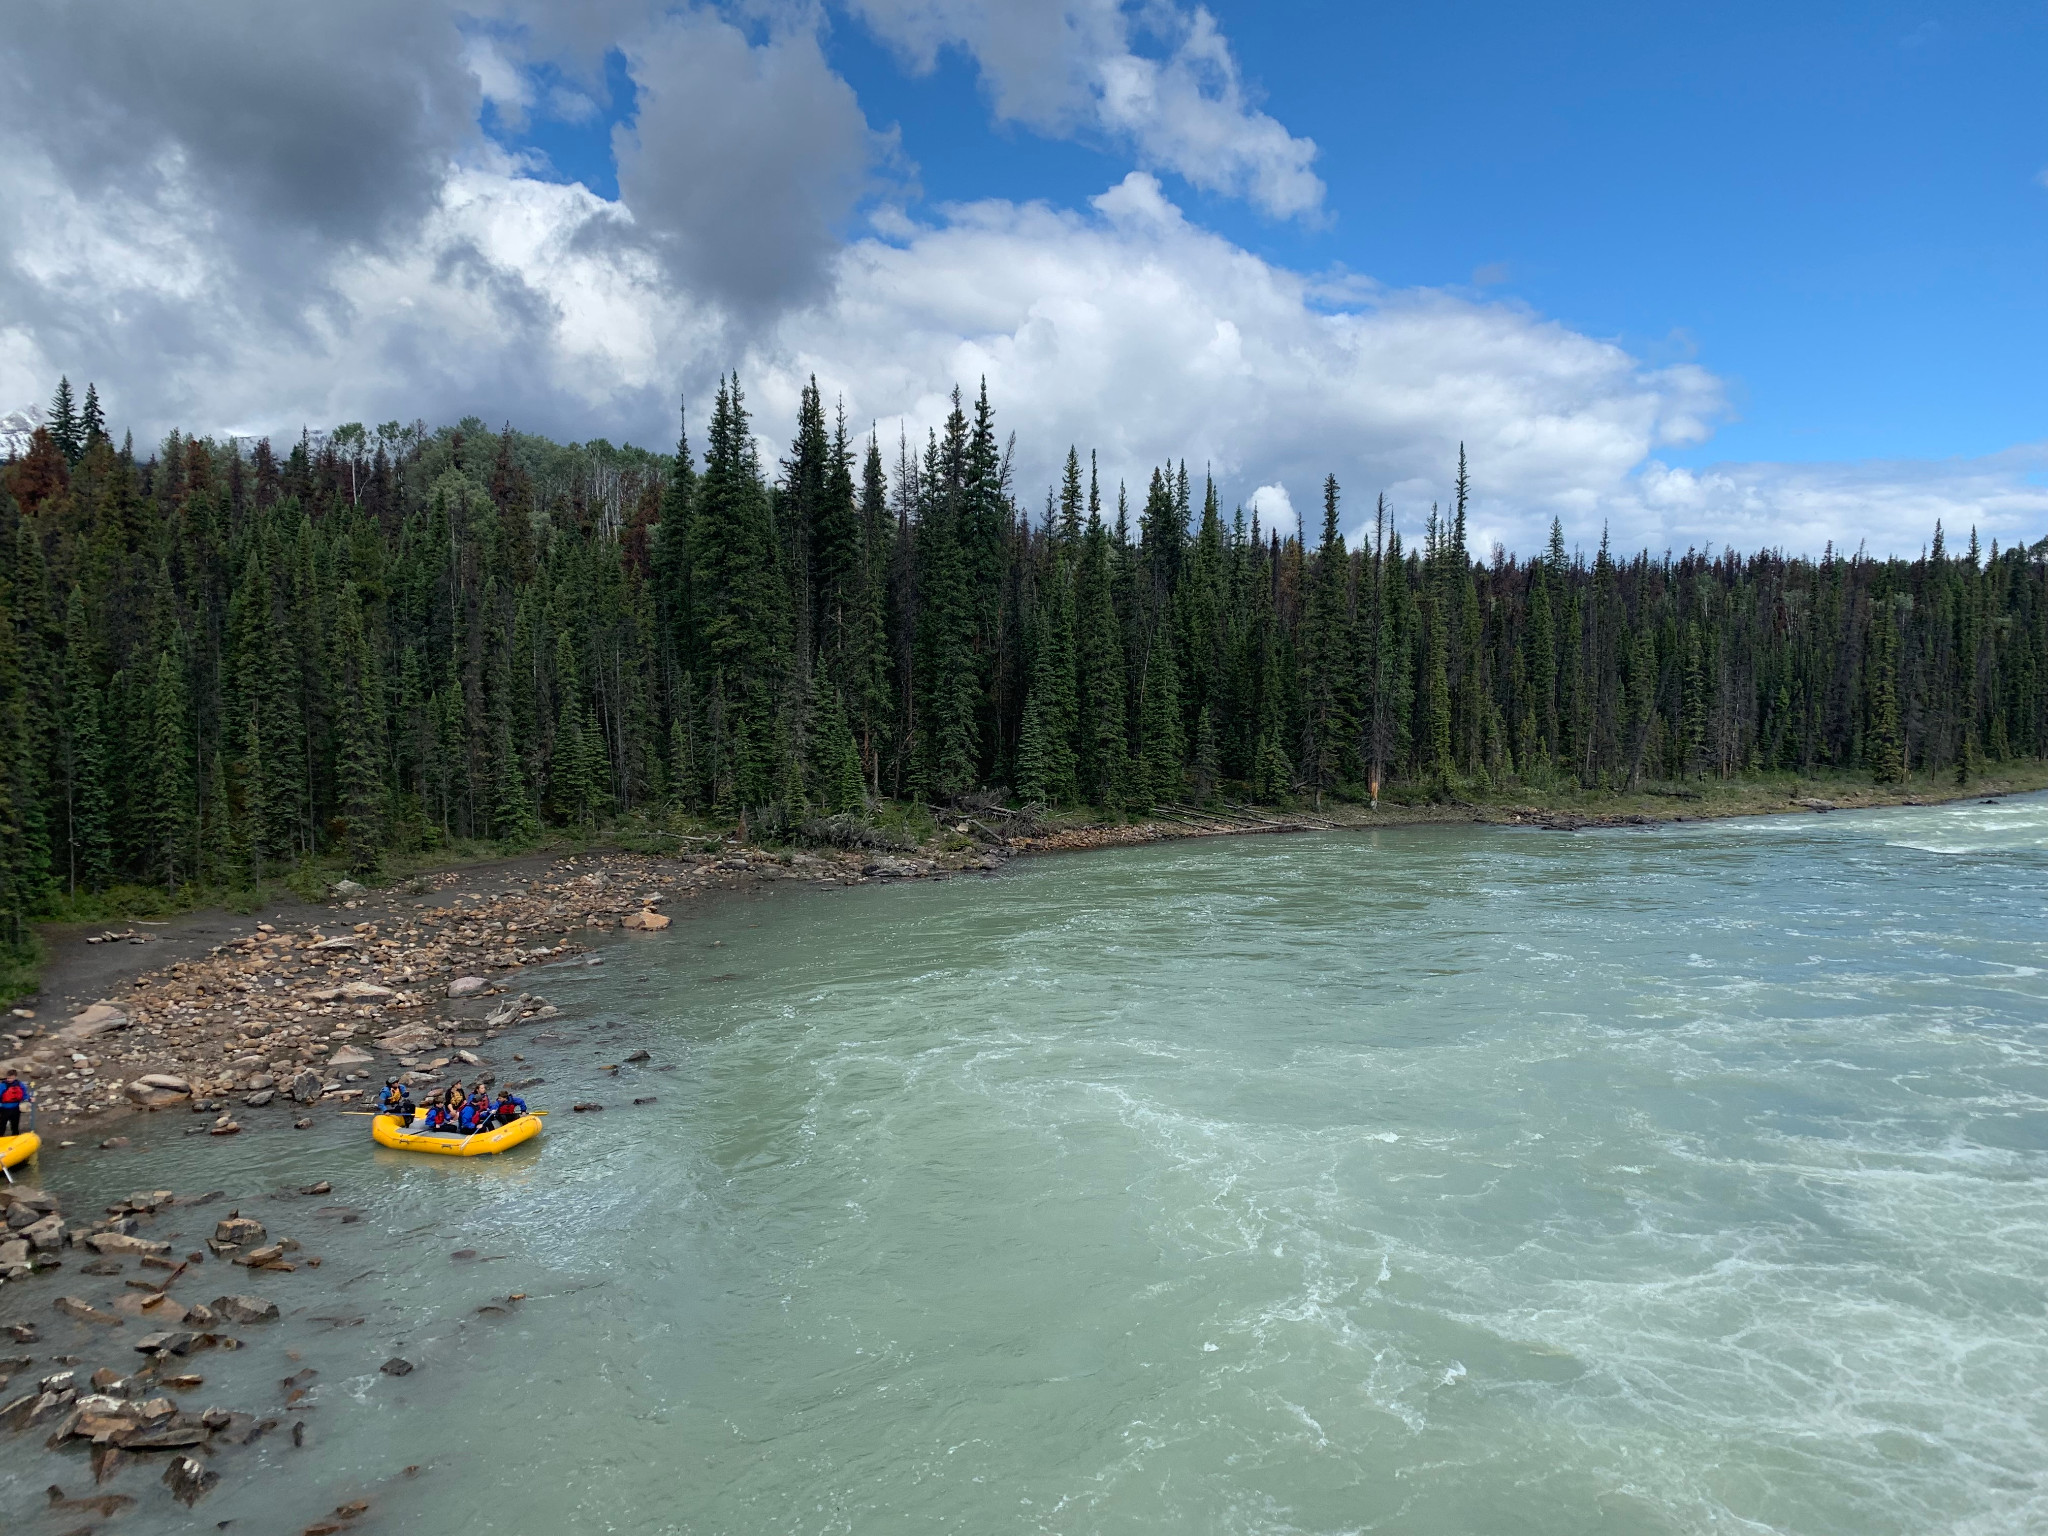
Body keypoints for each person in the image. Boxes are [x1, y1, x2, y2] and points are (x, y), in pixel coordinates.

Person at [0, 1072, 29, 1137]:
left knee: (15, 1125)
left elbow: (24, 1094)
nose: (9, 1080)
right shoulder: (2, 1085)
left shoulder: (20, 1084)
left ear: (15, 1077)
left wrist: (29, 1098)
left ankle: (15, 1137)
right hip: (5, 1108)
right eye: (8, 1078)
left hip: (15, 1108)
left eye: (11, 1078)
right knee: (2, 1125)